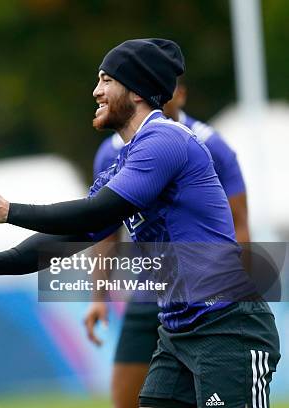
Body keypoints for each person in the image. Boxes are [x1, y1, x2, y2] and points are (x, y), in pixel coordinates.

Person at [0, 39, 279, 408]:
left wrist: (9, 210)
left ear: (137, 90)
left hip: (227, 327)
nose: (96, 91)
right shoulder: (123, 160)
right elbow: (75, 232)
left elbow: (94, 212)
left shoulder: (165, 140)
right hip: (178, 331)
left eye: (106, 80)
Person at [83, 78, 251, 408]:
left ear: (182, 94)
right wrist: (98, 296)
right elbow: (103, 229)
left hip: (207, 306)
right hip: (149, 298)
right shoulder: (112, 154)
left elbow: (240, 225)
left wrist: (232, 298)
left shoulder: (209, 145)